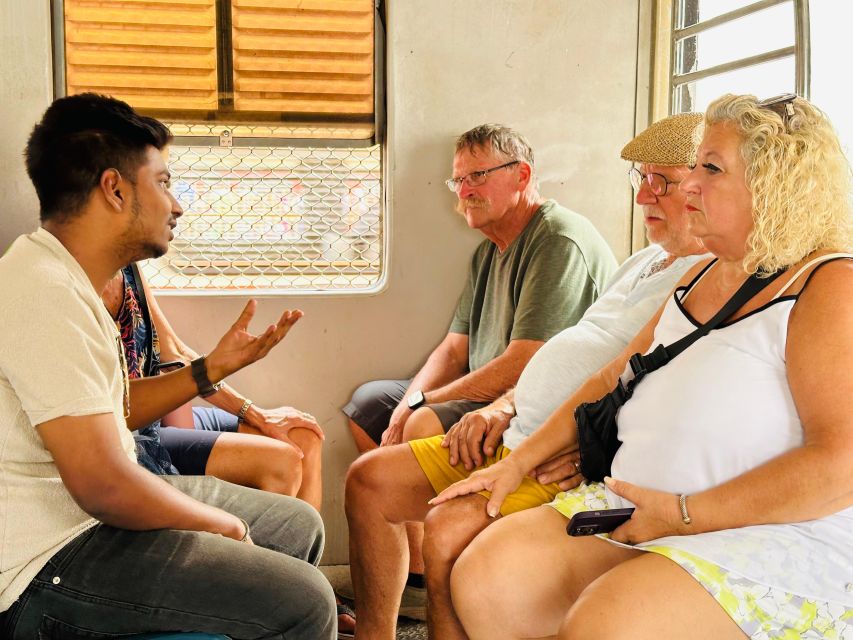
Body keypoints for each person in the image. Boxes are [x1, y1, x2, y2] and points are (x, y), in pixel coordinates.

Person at [435, 94, 853, 640]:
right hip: (637, 507)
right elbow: (611, 379)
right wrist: (515, 464)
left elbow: (840, 463)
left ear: (774, 182)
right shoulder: (697, 278)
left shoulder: (827, 285)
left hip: (766, 532)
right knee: (488, 578)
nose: (691, 185)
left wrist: (684, 515)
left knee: (606, 622)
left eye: (710, 168)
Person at [345, 112, 710, 639]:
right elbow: (551, 352)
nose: (642, 198)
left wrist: (585, 443)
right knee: (368, 480)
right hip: (517, 423)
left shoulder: (701, 276)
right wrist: (502, 405)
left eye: (661, 183)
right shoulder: (644, 262)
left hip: (559, 451)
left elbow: (639, 384)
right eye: (641, 180)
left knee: (446, 527)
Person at [0, 93, 336, 638]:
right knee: (307, 601)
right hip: (50, 558)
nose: (176, 205)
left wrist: (209, 371)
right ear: (114, 189)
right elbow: (102, 485)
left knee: (295, 525)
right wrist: (216, 523)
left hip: (87, 515)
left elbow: (114, 408)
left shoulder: (70, 282)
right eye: (163, 183)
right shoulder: (40, 291)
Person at [342, 123, 617, 613]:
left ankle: (443, 558)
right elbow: (452, 349)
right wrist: (410, 398)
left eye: (479, 176)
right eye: (459, 180)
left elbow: (525, 363)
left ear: (522, 175)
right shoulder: (487, 251)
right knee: (370, 405)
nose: (465, 191)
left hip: (532, 399)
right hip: (485, 385)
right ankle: (416, 571)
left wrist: (425, 406)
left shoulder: (556, 241)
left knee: (422, 423)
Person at [103, 262, 324, 510]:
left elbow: (176, 354)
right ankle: (255, 548)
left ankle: (304, 547)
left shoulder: (129, 271)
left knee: (304, 437)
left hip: (158, 421)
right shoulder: (76, 287)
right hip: (131, 433)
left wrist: (257, 414)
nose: (172, 221)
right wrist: (212, 370)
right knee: (282, 462)